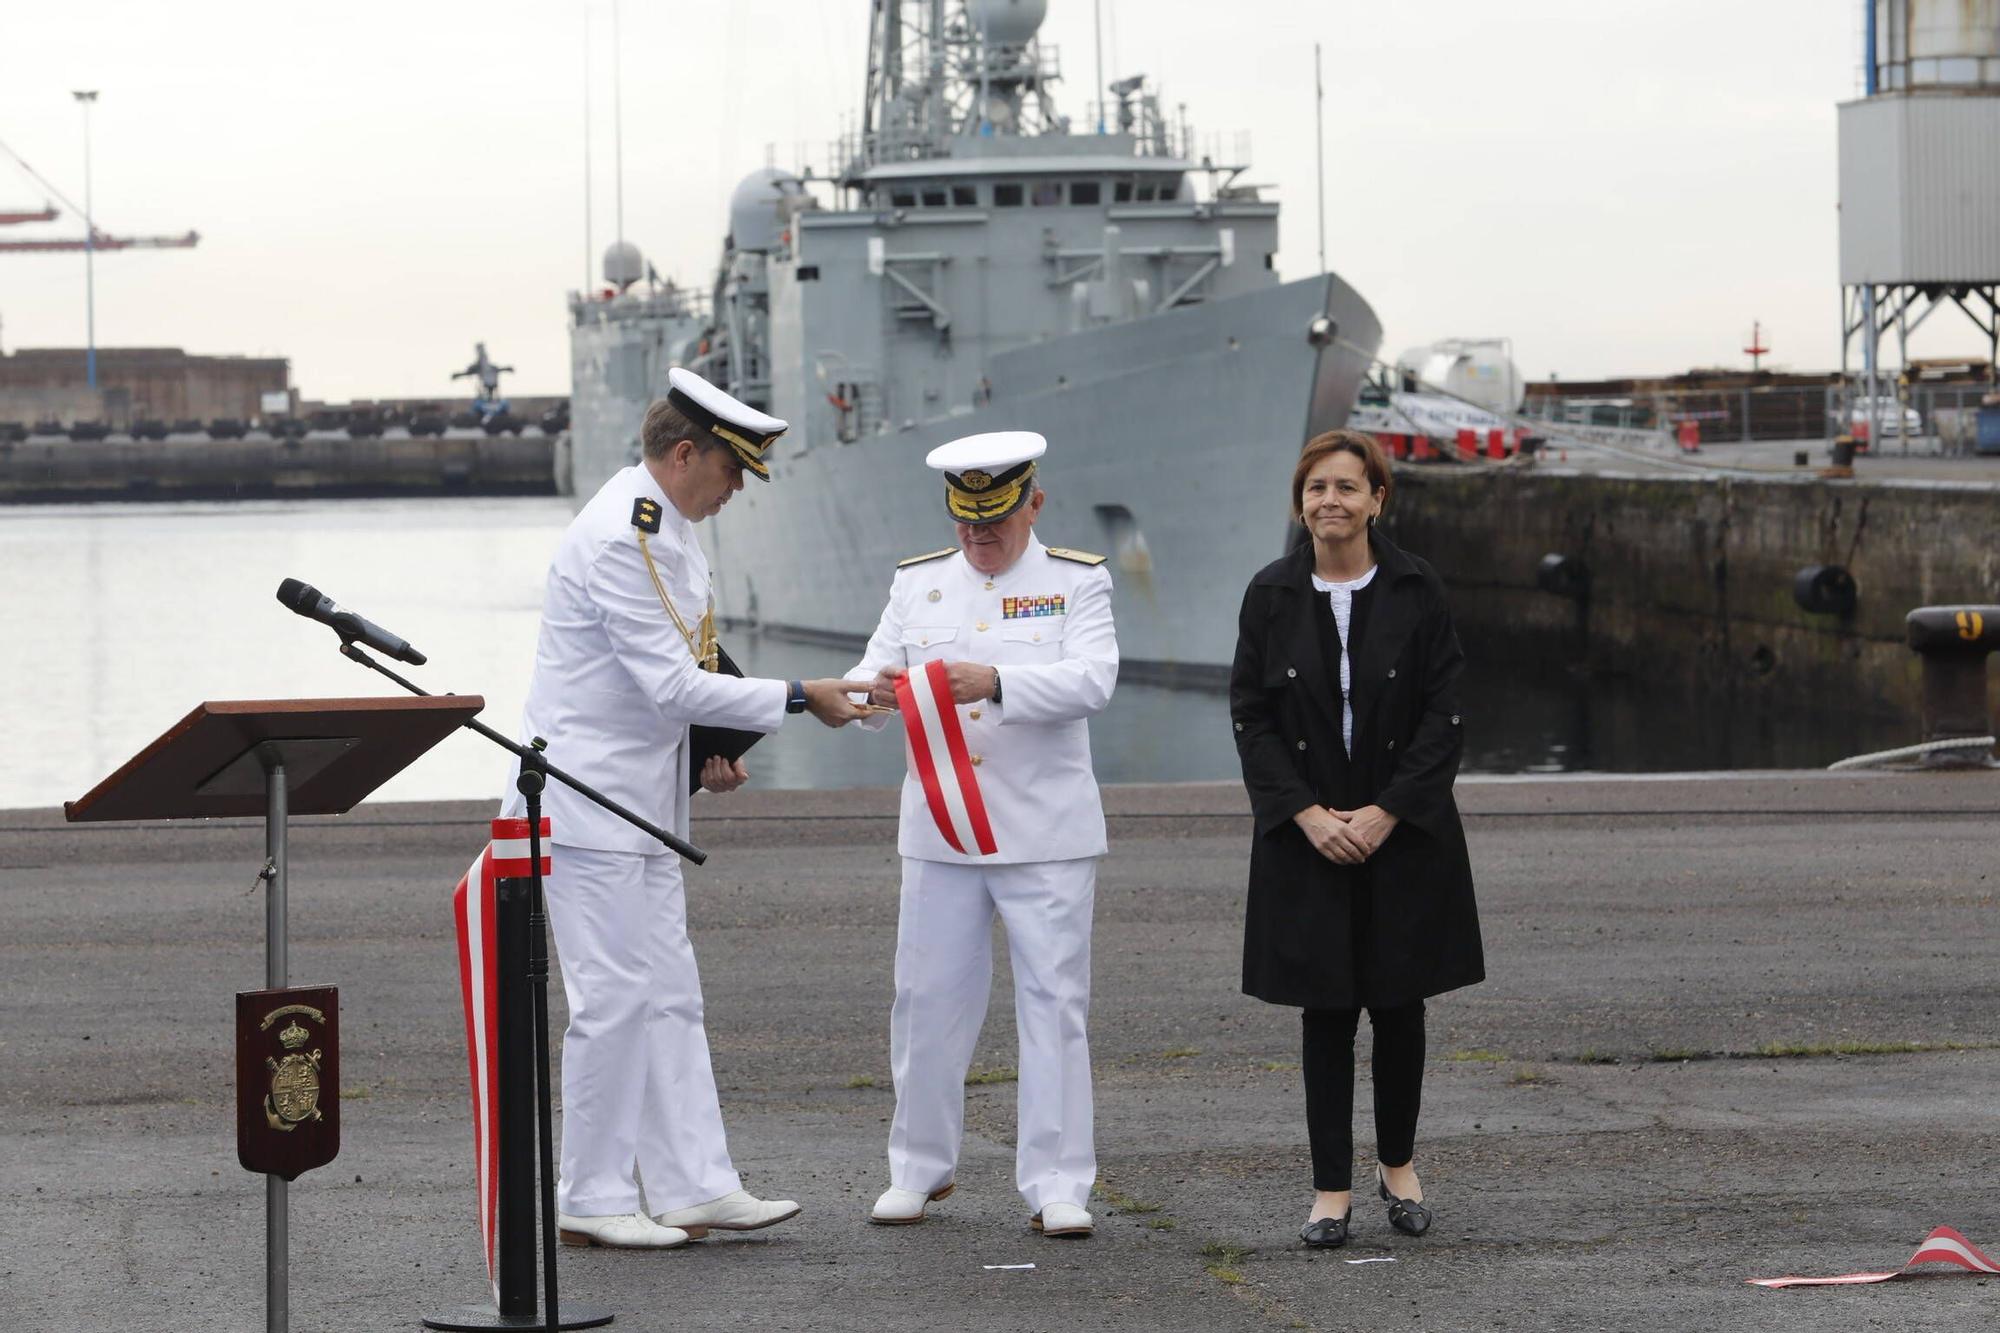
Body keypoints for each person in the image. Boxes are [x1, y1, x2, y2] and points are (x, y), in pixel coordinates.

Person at [502, 367, 867, 1249]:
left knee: (669, 994)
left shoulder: (668, 528)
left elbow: (679, 676)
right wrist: (799, 694)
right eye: (731, 470)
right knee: (615, 999)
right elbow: (670, 682)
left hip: (644, 804)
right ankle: (590, 1194)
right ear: (683, 453)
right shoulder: (628, 536)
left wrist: (709, 751)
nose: (737, 489)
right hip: (588, 807)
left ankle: (694, 1183)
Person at [848, 431, 1118, 1238]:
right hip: (941, 830)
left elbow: (1094, 679)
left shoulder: (1078, 581)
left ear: (1032, 502)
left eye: (994, 521)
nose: (979, 537)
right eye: (967, 523)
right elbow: (871, 678)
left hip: (1045, 832)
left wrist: (996, 680)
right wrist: (872, 697)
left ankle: (1058, 1181)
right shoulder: (918, 584)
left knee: (1054, 1005)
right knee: (924, 1001)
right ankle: (919, 1169)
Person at [1228, 428, 1484, 1249]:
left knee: (1400, 1005)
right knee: (1326, 1012)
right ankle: (1330, 1189)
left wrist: (1386, 811)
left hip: (1402, 831)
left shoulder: (1418, 588)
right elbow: (1251, 718)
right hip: (1308, 834)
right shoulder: (1269, 592)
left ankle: (1399, 1167)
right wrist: (1304, 812)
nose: (1329, 501)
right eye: (1315, 489)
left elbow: (1446, 715)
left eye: (1346, 486)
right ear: (1299, 504)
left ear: (1378, 497)